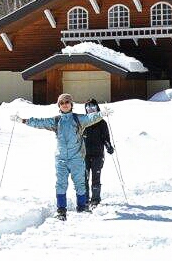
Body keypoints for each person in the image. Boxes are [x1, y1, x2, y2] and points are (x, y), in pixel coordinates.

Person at [12, 92, 111, 220]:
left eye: (67, 102)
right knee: (61, 184)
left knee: (80, 184)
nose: (65, 105)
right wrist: (23, 120)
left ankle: (82, 207)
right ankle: (61, 210)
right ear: (59, 106)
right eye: (62, 103)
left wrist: (102, 114)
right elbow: (40, 122)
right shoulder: (56, 121)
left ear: (71, 104)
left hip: (77, 158)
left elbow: (91, 118)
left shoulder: (78, 119)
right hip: (61, 159)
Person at [81, 99, 115, 208]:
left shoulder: (102, 123)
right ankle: (85, 200)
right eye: (88, 107)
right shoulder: (83, 122)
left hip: (98, 155)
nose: (90, 109)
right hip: (84, 155)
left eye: (93, 106)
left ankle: (95, 200)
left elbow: (106, 138)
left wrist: (108, 146)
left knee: (96, 177)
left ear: (97, 108)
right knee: (84, 178)